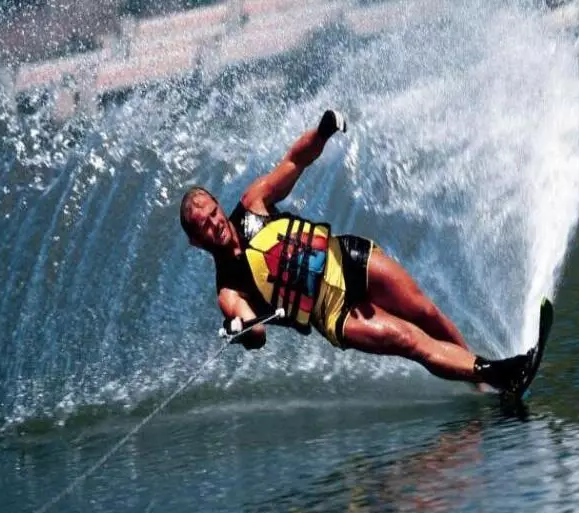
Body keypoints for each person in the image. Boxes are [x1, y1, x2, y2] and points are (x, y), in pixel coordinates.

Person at [179, 110, 536, 395]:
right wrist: (241, 328)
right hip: (334, 313)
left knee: (424, 311)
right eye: (205, 226)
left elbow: (294, 161)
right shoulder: (228, 289)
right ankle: (499, 373)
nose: (215, 223)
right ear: (197, 242)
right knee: (409, 340)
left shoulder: (253, 204)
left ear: (218, 206)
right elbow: (256, 336)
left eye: (214, 213)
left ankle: (481, 380)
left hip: (346, 258)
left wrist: (322, 132)